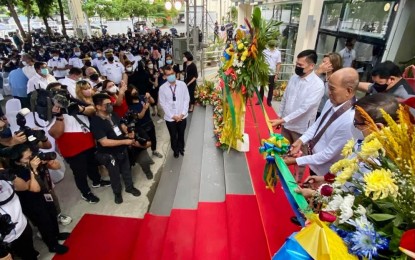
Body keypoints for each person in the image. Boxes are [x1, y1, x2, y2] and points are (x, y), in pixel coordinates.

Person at [295, 93, 400, 198]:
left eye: (357, 123)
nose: (353, 126)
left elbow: (355, 198)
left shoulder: (379, 162)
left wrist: (314, 194)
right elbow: (348, 170)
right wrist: (325, 179)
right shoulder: (363, 142)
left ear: (378, 127)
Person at [283, 68, 358, 178]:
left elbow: (328, 154)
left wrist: (296, 160)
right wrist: (300, 140)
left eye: (332, 89)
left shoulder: (350, 120)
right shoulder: (331, 102)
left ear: (349, 91)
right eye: (328, 87)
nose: (329, 93)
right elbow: (318, 124)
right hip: (314, 162)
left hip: (326, 172)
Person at [270, 49, 324, 182]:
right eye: (296, 64)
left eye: (301, 66)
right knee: (282, 149)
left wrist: (283, 119)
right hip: (286, 124)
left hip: (301, 128)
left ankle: (297, 179)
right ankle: (280, 172)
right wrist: (280, 117)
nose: (297, 68)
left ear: (311, 66)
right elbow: (285, 98)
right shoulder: (294, 78)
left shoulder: (317, 85)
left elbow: (305, 108)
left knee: (299, 156)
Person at [9, 144, 69, 255]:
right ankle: (52, 245)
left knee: (52, 213)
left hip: (45, 194)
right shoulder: (16, 173)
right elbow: (35, 189)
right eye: (27, 158)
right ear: (18, 161)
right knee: (44, 222)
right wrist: (33, 170)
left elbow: (58, 167)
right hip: (31, 202)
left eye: (31, 155)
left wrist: (49, 161)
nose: (32, 158)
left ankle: (56, 234)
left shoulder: (36, 160)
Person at [90, 93, 141, 204]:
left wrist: (126, 130)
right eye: (106, 104)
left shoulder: (112, 113)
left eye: (110, 103)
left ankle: (129, 187)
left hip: (122, 149)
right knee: (114, 174)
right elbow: (104, 142)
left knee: (126, 169)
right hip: (109, 154)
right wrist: (125, 141)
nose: (110, 105)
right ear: (98, 107)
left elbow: (120, 122)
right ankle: (117, 193)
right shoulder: (95, 122)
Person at [0, 162, 39, 260]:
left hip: (22, 224)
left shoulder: (4, 178)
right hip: (5, 237)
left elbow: (24, 187)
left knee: (30, 252)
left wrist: (11, 177)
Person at [159, 65, 190, 158]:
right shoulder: (162, 88)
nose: (171, 76)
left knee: (181, 133)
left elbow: (186, 99)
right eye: (168, 74)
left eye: (172, 73)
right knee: (173, 135)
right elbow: (163, 103)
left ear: (175, 73)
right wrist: (172, 116)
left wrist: (182, 114)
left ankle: (181, 148)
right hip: (170, 118)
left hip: (182, 116)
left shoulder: (182, 85)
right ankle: (175, 150)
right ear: (165, 76)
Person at [315, 53, 343, 118]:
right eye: (322, 62)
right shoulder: (319, 75)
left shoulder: (337, 80)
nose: (321, 65)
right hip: (313, 110)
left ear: (333, 66)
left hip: (325, 113)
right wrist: (318, 72)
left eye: (325, 63)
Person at [257, 40, 281, 106]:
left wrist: (276, 74)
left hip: (272, 73)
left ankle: (269, 101)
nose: (271, 47)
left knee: (271, 88)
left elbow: (278, 64)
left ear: (275, 45)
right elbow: (261, 62)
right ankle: (260, 100)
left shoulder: (278, 53)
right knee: (262, 87)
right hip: (264, 72)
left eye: (272, 46)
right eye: (270, 46)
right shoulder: (264, 51)